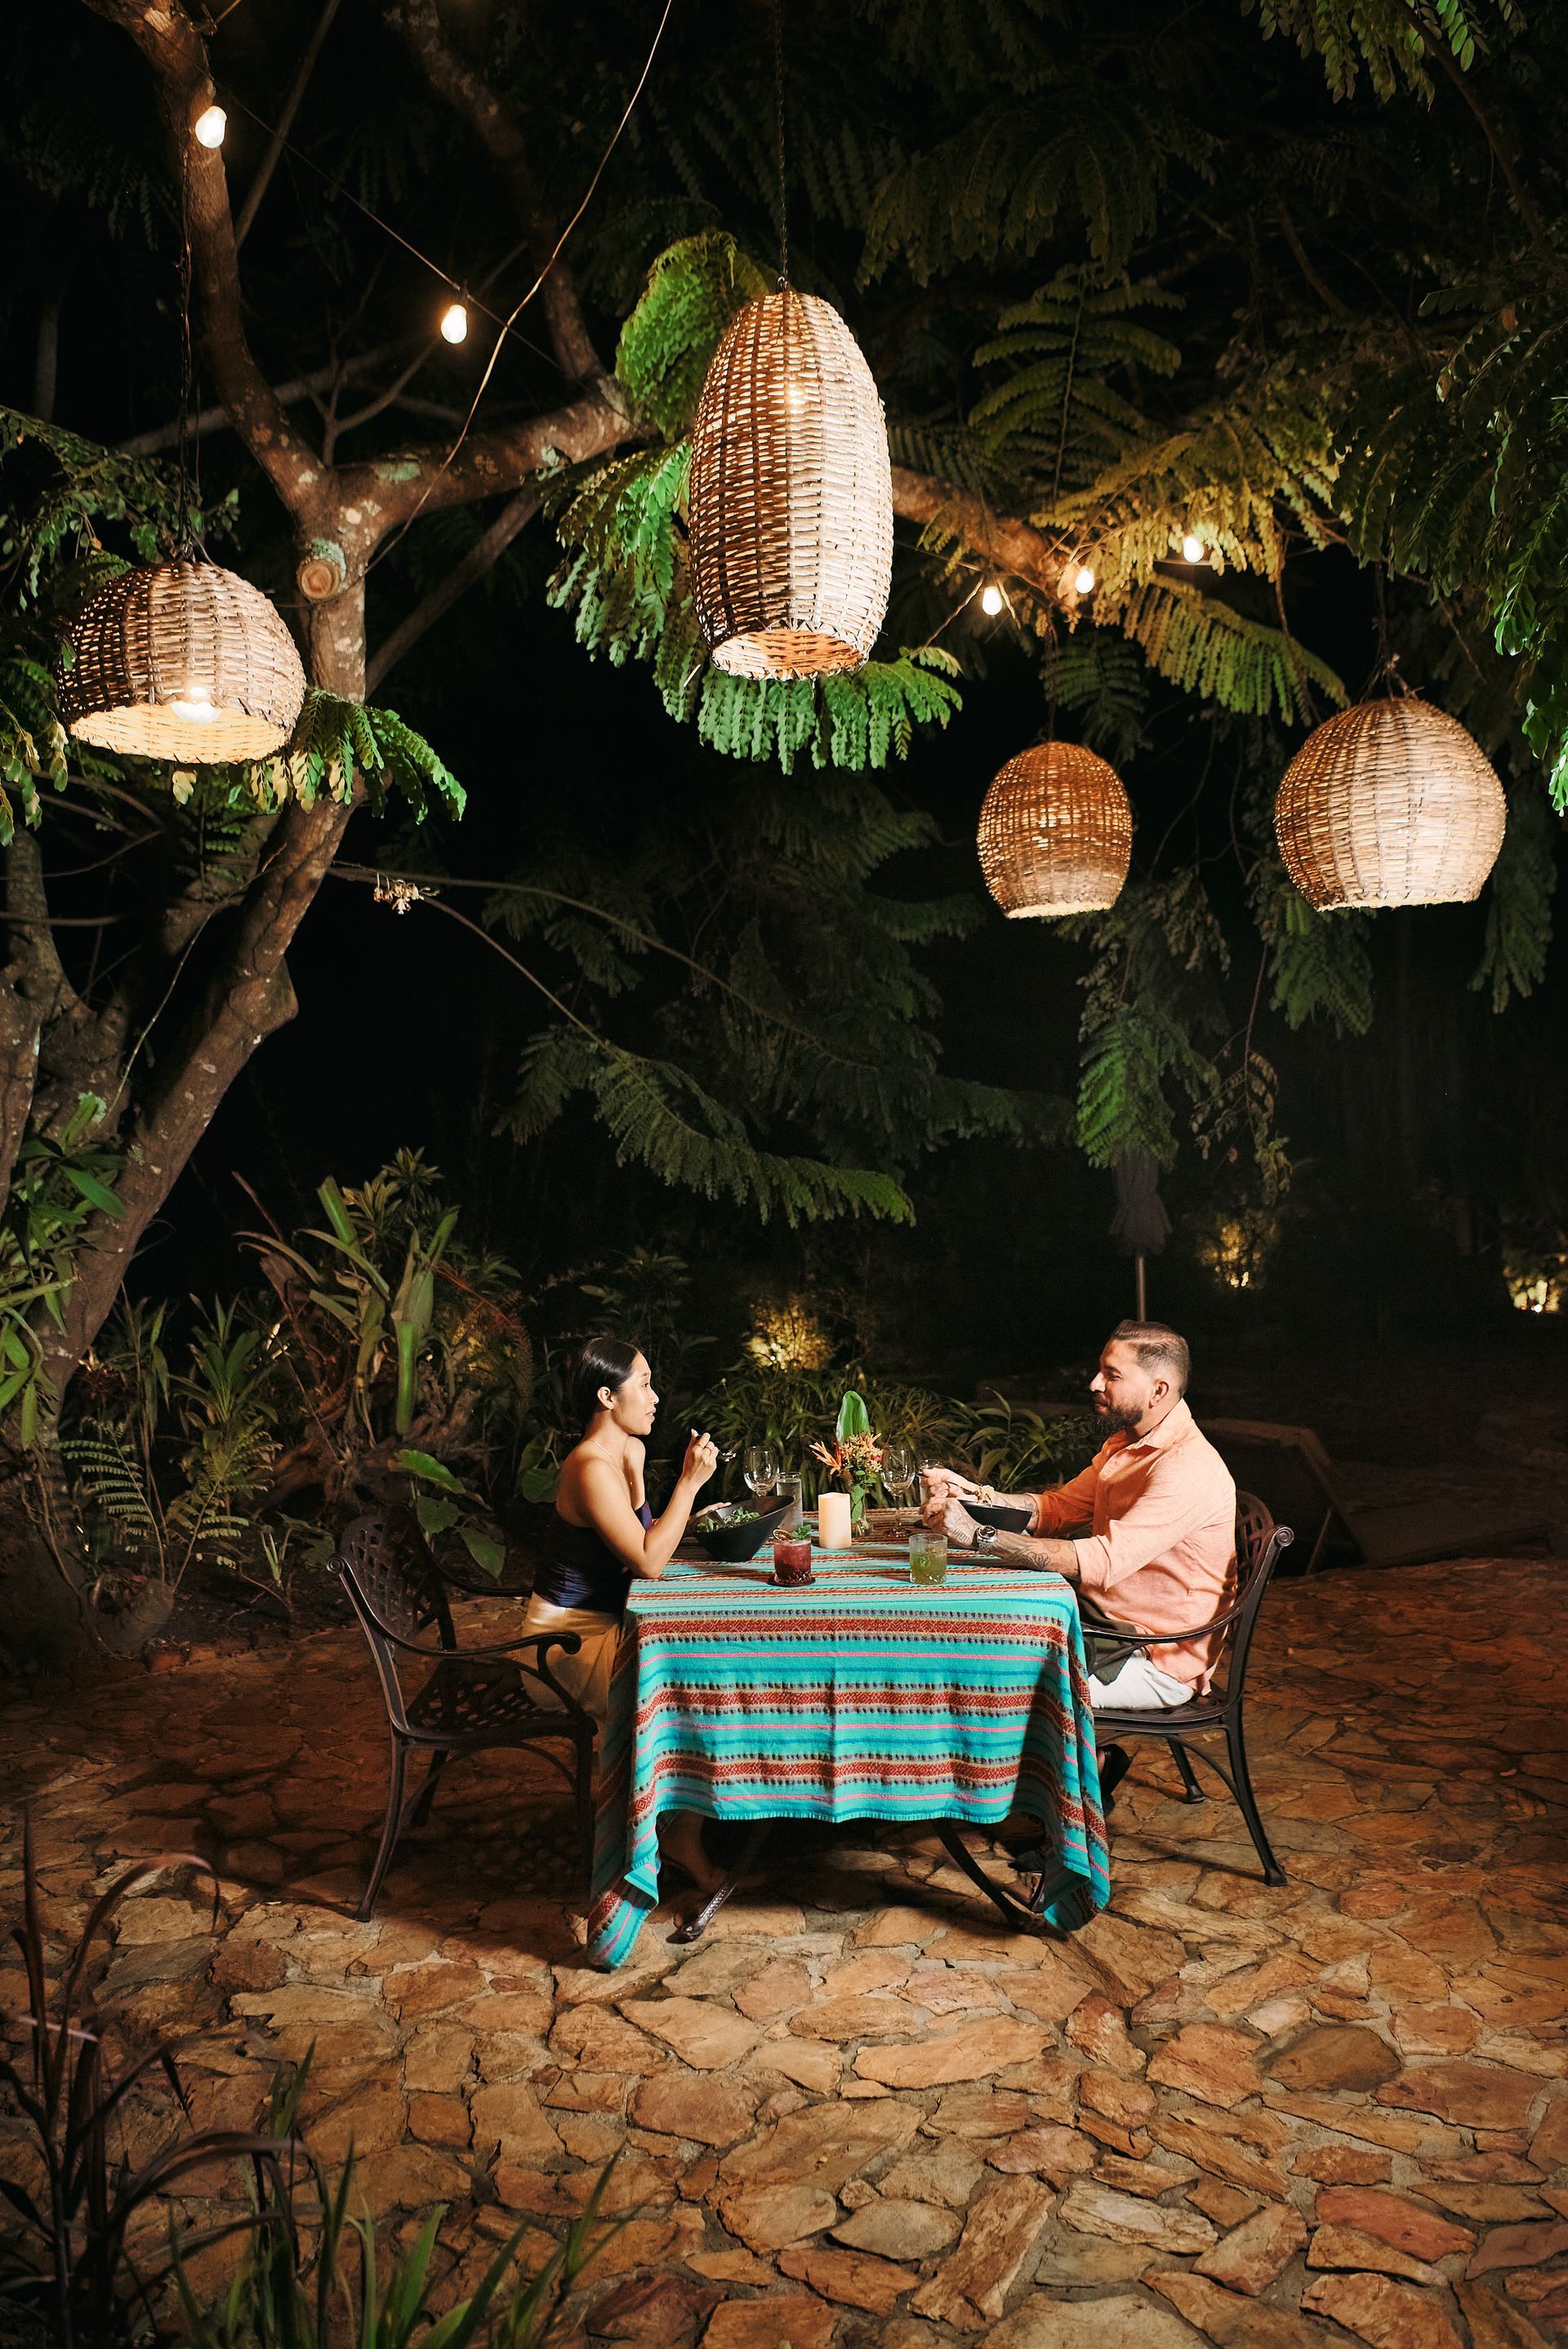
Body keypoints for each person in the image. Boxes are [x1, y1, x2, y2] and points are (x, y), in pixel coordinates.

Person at [921, 1320, 1236, 1804]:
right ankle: (1037, 1781)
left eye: (1111, 1375)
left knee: (1011, 1685)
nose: (1094, 1384)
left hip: (1154, 1657)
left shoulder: (1186, 1468)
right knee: (984, 1643)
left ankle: (1067, 1822)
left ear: (1158, 1390)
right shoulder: (1128, 1443)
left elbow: (1098, 1560)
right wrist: (973, 1495)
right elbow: (1056, 1509)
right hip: (1103, 1625)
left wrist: (977, 1535)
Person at [521, 1338, 722, 1890]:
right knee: (694, 1677)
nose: (656, 1397)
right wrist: (688, 1483)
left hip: (609, 1624)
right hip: (563, 1646)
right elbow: (651, 1564)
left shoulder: (627, 1452)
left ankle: (684, 1814)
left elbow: (647, 1542)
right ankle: (674, 1833)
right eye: (645, 1384)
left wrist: (690, 1508)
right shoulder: (589, 1467)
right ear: (607, 1396)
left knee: (707, 1656)